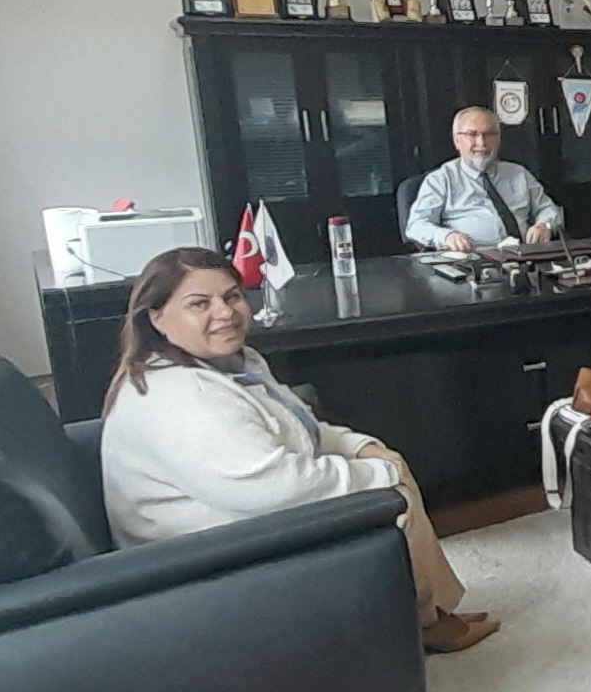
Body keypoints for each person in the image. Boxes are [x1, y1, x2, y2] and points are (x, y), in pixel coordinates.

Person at [99, 248, 496, 651]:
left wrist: (363, 448)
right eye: (199, 304)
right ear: (156, 317)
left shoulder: (235, 363)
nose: (224, 313)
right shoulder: (184, 397)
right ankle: (426, 622)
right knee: (394, 494)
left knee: (388, 467)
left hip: (237, 521)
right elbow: (274, 487)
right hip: (205, 559)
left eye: (232, 296)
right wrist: (383, 475)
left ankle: (428, 613)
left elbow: (298, 425)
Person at [406, 106, 562, 251]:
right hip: (470, 261)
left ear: (498, 139)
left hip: (524, 256)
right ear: (457, 141)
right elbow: (416, 225)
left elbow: (549, 208)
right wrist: (447, 236)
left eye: (489, 134)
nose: (481, 143)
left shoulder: (519, 174)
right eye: (472, 135)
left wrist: (544, 225)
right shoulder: (441, 179)